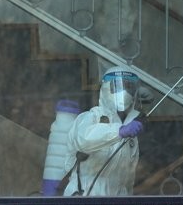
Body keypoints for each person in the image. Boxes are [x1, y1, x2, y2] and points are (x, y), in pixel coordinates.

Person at [62, 67, 145, 196]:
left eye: (129, 87)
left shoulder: (131, 133)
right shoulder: (90, 117)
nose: (124, 92)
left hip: (118, 196)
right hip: (86, 193)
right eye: (118, 86)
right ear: (106, 88)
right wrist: (119, 131)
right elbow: (83, 140)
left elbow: (129, 177)